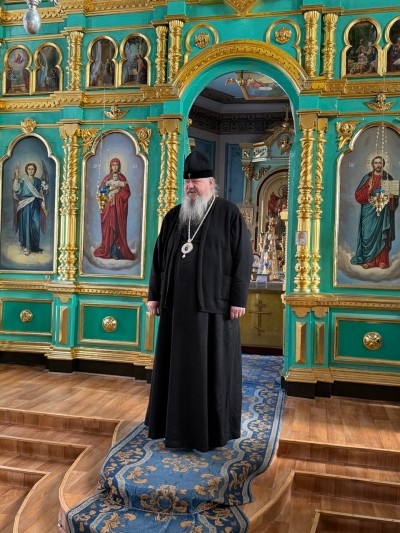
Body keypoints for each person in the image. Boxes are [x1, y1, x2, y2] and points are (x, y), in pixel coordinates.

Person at [145, 150, 253, 452]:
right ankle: (172, 427)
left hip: (214, 308)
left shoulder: (228, 213)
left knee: (212, 371)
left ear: (211, 183)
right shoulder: (174, 216)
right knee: (175, 369)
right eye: (187, 182)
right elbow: (158, 259)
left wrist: (238, 298)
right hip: (176, 309)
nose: (191, 187)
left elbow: (243, 258)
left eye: (197, 182)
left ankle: (213, 429)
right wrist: (154, 295)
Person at [351, 155, 398, 269]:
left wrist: (392, 197)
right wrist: (369, 189)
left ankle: (382, 261)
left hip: (383, 211)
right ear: (372, 164)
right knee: (367, 234)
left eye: (380, 162)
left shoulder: (388, 178)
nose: (378, 165)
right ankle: (369, 261)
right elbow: (358, 195)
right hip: (368, 210)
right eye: (376, 162)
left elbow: (394, 198)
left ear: (383, 164)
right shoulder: (367, 178)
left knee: (382, 233)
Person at [94, 158, 136, 260]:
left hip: (118, 210)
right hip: (109, 209)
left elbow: (127, 193)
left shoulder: (122, 178)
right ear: (110, 166)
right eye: (113, 165)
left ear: (119, 166)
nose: (115, 167)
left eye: (117, 165)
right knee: (109, 228)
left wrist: (117, 195)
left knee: (118, 228)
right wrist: (110, 190)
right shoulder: (107, 178)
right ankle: (108, 250)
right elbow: (101, 191)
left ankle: (117, 252)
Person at [13, 162, 48, 256]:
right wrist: (16, 177)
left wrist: (44, 207)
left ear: (35, 170)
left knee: (36, 224)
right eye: (29, 169)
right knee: (26, 224)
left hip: (35, 204)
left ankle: (35, 247)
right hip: (25, 204)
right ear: (26, 170)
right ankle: (26, 246)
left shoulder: (38, 181)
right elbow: (16, 189)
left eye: (32, 169)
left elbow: (41, 194)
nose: (31, 171)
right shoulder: (22, 180)